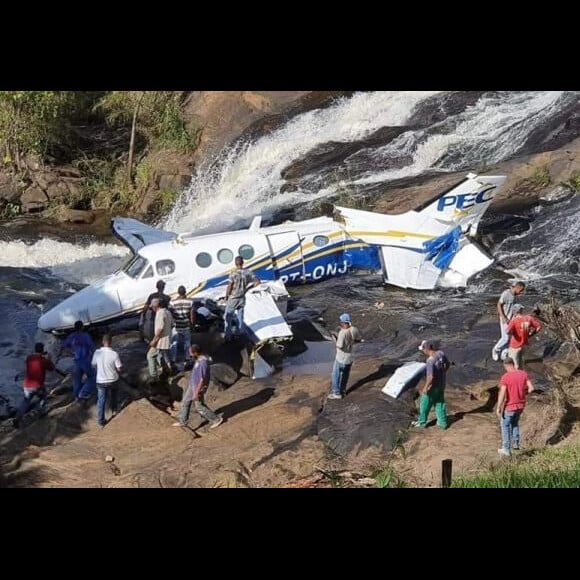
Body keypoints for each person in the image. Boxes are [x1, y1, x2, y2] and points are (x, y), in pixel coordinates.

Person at [172, 344, 223, 429]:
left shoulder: (203, 363)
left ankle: (216, 419)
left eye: (191, 352)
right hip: (192, 386)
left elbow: (202, 380)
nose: (190, 354)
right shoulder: (198, 360)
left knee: (199, 407)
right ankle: (183, 421)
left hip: (197, 388)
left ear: (195, 353)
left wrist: (196, 392)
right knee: (185, 402)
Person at [13, 343, 59, 428]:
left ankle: (18, 417)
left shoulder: (29, 358)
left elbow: (31, 361)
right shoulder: (43, 360)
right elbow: (52, 368)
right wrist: (48, 359)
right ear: (42, 350)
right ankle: (41, 412)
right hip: (38, 385)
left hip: (27, 385)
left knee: (26, 401)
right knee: (43, 397)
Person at [496, 356, 535, 456]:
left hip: (510, 406)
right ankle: (516, 443)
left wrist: (498, 407)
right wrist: (524, 392)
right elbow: (531, 388)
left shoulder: (505, 377)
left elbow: (502, 393)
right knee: (515, 423)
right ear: (513, 364)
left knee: (505, 425)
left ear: (506, 365)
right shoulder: (523, 374)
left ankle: (506, 449)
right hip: (521, 405)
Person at [411, 340, 451, 429]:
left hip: (433, 386)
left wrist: (425, 387)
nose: (423, 351)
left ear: (426, 349)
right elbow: (447, 364)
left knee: (424, 404)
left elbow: (430, 377)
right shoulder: (440, 353)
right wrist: (443, 373)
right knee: (439, 403)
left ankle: (422, 423)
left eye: (423, 349)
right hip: (441, 384)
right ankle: (442, 423)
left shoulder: (430, 361)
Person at [223, 256, 260, 340]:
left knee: (228, 317)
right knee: (240, 316)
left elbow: (230, 286)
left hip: (233, 298)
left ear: (235, 263)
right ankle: (239, 333)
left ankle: (228, 335)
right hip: (242, 298)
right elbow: (258, 281)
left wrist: (226, 296)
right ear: (242, 263)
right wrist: (248, 288)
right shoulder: (248, 272)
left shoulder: (233, 273)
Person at [327, 313, 363, 400]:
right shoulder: (354, 329)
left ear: (343, 322)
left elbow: (339, 346)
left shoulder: (342, 333)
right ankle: (343, 391)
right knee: (345, 374)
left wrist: (334, 339)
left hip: (341, 357)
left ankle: (336, 393)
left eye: (341, 322)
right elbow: (358, 340)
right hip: (349, 357)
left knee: (335, 375)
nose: (340, 323)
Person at [91, 334, 123, 427]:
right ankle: (114, 410)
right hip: (113, 379)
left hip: (101, 381)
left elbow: (93, 364)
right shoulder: (114, 354)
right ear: (111, 342)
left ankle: (101, 421)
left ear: (102, 342)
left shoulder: (97, 352)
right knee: (114, 394)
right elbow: (119, 368)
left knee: (101, 400)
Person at [61, 320, 95, 400]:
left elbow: (64, 345)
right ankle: (83, 393)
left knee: (77, 379)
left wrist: (71, 352)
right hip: (85, 360)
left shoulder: (71, 336)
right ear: (82, 327)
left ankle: (76, 395)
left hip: (76, 360)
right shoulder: (86, 336)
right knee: (92, 377)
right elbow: (92, 348)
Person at [492, 282, 526, 361]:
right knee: (505, 338)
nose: (521, 293)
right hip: (505, 319)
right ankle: (495, 350)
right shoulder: (506, 294)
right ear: (517, 287)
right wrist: (503, 317)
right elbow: (499, 304)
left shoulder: (515, 296)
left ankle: (504, 354)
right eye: (521, 290)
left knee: (511, 338)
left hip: (511, 319)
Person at [506, 304, 542, 370]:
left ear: (514, 312)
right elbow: (539, 326)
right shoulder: (528, 318)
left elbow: (507, 331)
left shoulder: (514, 321)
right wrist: (531, 334)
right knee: (521, 363)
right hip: (523, 344)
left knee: (514, 365)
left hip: (514, 345)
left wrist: (513, 332)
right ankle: (521, 376)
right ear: (521, 311)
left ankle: (516, 378)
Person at [147, 298, 174, 379]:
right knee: (164, 356)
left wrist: (154, 340)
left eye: (152, 307)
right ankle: (167, 370)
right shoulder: (167, 312)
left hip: (160, 340)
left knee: (150, 355)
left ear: (156, 306)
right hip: (167, 338)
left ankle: (153, 376)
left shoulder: (160, 313)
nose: (152, 309)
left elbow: (160, 329)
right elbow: (172, 324)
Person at [169, 285, 194, 366]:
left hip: (176, 325)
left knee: (174, 343)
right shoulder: (190, 301)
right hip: (186, 325)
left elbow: (171, 314)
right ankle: (187, 359)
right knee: (187, 343)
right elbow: (192, 314)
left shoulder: (173, 302)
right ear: (185, 292)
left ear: (178, 292)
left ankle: (173, 359)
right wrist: (192, 324)